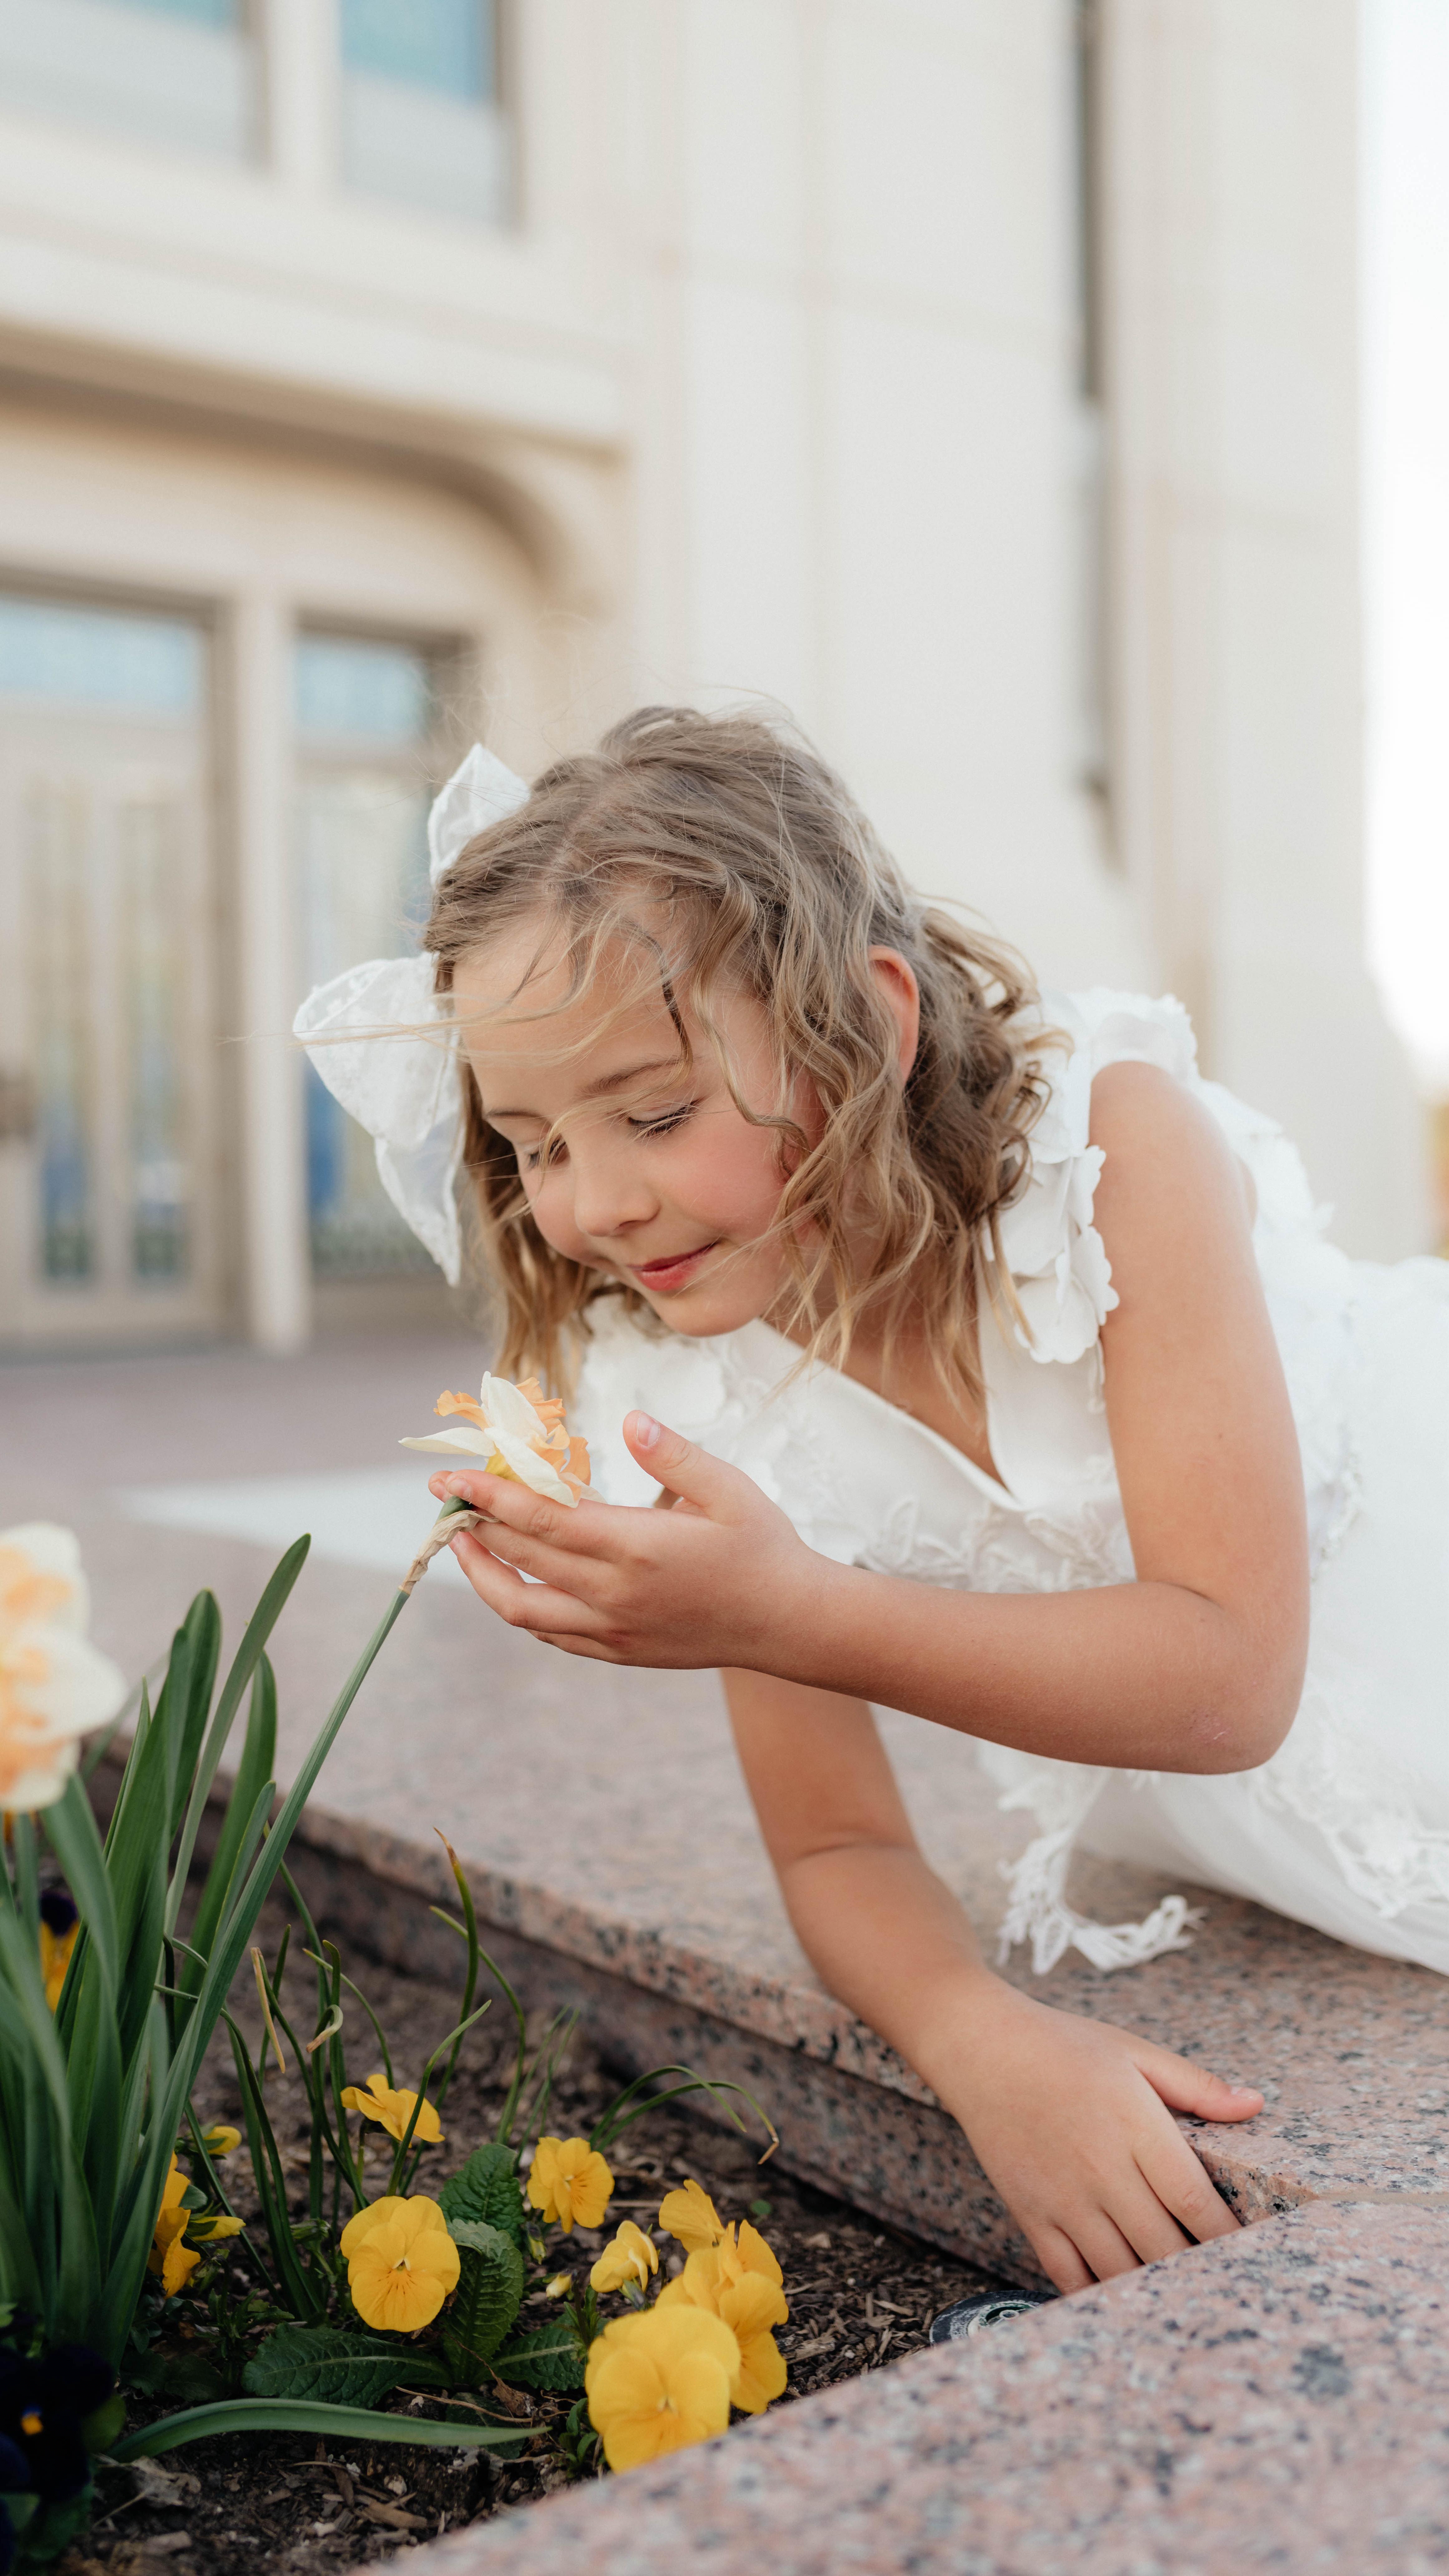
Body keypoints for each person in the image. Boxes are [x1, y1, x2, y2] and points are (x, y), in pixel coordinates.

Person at [297, 706, 1449, 2294]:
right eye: (533, 1143)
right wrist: (982, 2040)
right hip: (1282, 1843)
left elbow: (1235, 1673)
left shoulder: (1114, 1154)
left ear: (867, 1024)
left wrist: (785, 1611)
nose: (593, 1201)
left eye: (654, 1113)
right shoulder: (698, 1398)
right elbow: (837, 1843)